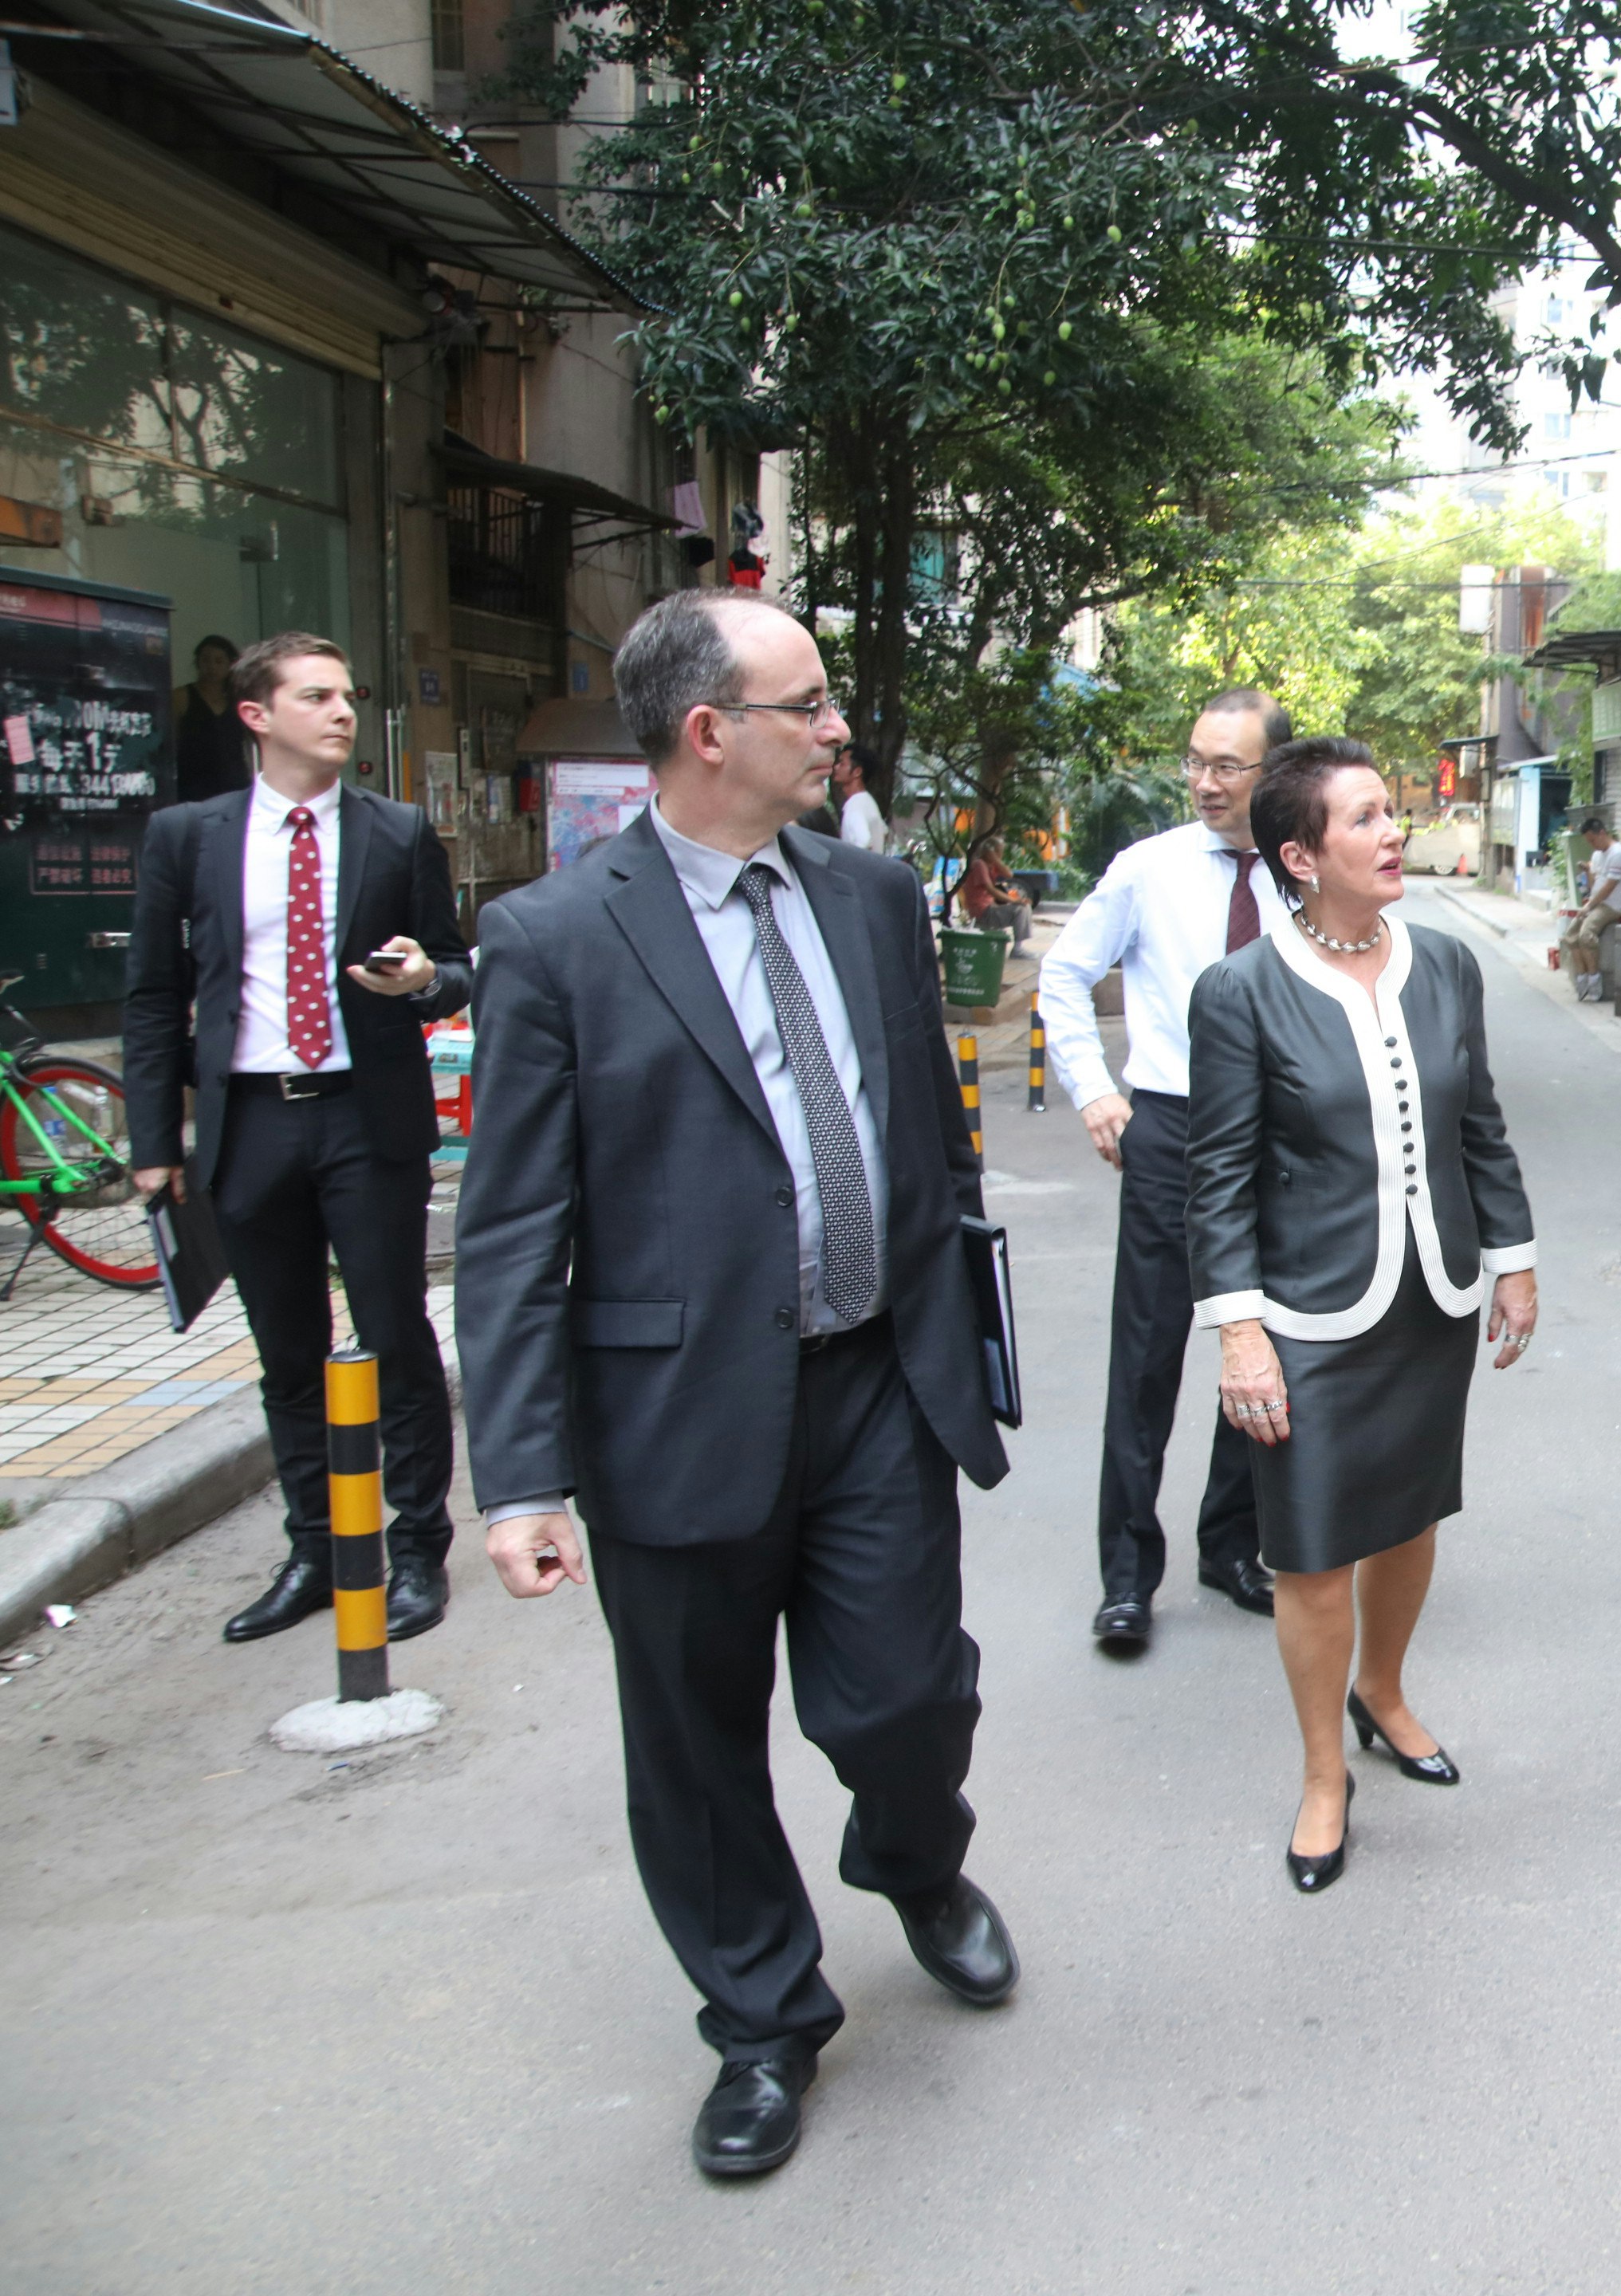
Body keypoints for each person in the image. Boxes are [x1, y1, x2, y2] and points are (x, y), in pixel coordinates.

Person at [455, 591, 1018, 2180]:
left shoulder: (870, 895)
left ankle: (914, 1861)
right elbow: (508, 1231)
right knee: (696, 1749)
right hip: (672, 1416)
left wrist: (954, 1322)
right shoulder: (556, 940)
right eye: (810, 705)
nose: (839, 729)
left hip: (869, 1389)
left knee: (909, 1696)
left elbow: (927, 1133)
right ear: (711, 734)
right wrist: (519, 1476)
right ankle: (765, 2021)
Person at [1188, 737, 1537, 1893]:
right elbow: (1220, 1176)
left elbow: (1475, 1122)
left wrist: (1515, 1257)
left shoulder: (1443, 966)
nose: (1397, 833)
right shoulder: (1239, 991)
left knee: (1410, 1516)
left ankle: (1383, 1693)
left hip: (1431, 1298)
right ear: (1300, 856)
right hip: (1309, 1318)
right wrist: (1241, 1331)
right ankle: (1324, 1772)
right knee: (1311, 1556)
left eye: (1394, 813)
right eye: (1368, 819)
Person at [123, 633, 471, 1646]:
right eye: (316, 696)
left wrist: (425, 983)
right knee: (287, 1353)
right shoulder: (188, 838)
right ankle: (316, 1549)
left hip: (367, 1117)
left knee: (395, 1337)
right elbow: (155, 999)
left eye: (348, 695)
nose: (342, 712)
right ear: (256, 715)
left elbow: (453, 965)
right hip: (251, 1123)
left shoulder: (396, 830)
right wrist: (156, 1143)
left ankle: (414, 1553)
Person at [1038, 688, 1292, 1651]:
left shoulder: (1301, 873)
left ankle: (1231, 1546)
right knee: (1145, 1359)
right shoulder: (1147, 870)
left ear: (1272, 774)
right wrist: (1095, 1090)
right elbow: (1065, 973)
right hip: (1171, 1127)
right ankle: (1126, 1576)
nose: (1205, 782)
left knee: (1260, 1344)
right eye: (1196, 760)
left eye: (1229, 766)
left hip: (1277, 1138)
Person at [170, 632, 251, 806]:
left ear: (230, 664)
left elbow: (249, 745)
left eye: (219, 661)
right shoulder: (182, 697)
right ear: (198, 662)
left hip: (234, 784)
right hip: (193, 785)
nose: (211, 667)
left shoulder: (239, 700)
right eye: (205, 660)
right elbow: (170, 743)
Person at [1562, 819, 1621, 1000]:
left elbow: (1609, 887)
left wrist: (1589, 906)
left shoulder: (1618, 853)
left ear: (1602, 833)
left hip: (1611, 905)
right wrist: (1588, 872)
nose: (1592, 845)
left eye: (1593, 840)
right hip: (1595, 902)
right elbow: (1595, 887)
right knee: (1570, 935)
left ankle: (1594, 979)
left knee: (1586, 934)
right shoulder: (1597, 855)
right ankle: (1582, 977)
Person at [831, 745, 888, 855]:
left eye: (842, 764)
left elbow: (863, 842)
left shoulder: (854, 805)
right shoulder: (868, 801)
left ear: (857, 772)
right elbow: (884, 831)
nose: (836, 767)